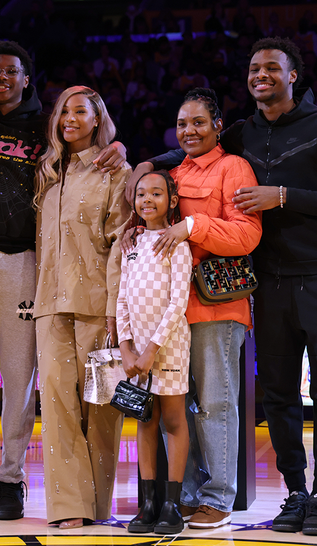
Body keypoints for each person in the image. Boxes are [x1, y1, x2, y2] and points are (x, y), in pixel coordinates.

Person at [0, 41, 126, 523]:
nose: (2, 78)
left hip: (24, 262)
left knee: (21, 382)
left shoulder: (47, 131)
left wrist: (122, 148)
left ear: (27, 79)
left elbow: (93, 146)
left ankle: (12, 479)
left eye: (11, 72)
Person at [231, 37, 317, 536]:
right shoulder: (240, 132)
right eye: (253, 68)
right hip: (269, 284)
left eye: (271, 68)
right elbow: (190, 151)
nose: (260, 75)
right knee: (280, 397)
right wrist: (136, 161)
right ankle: (294, 493)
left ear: (293, 77)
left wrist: (282, 196)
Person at [124, 88, 262, 530]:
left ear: (218, 125)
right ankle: (181, 495)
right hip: (172, 313)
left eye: (199, 122)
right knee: (176, 411)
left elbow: (246, 236)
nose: (190, 130)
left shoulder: (233, 167)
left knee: (217, 404)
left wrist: (192, 226)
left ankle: (219, 498)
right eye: (182, 123)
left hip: (216, 306)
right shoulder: (175, 173)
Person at [33, 86, 132, 529]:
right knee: (56, 406)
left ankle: (98, 506)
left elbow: (121, 244)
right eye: (62, 112)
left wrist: (118, 309)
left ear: (97, 119)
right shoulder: (48, 171)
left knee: (101, 409)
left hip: (98, 305)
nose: (69, 118)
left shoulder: (116, 169)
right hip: (50, 306)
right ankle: (69, 507)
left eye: (79, 111)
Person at [118, 170, 192, 535]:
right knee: (145, 420)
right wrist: (126, 347)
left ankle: (171, 505)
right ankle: (147, 503)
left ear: (172, 200)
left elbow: (178, 303)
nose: (148, 200)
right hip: (138, 352)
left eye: (156, 193)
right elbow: (122, 299)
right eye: (141, 194)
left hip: (170, 345)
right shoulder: (129, 244)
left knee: (174, 420)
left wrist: (151, 349)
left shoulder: (177, 243)